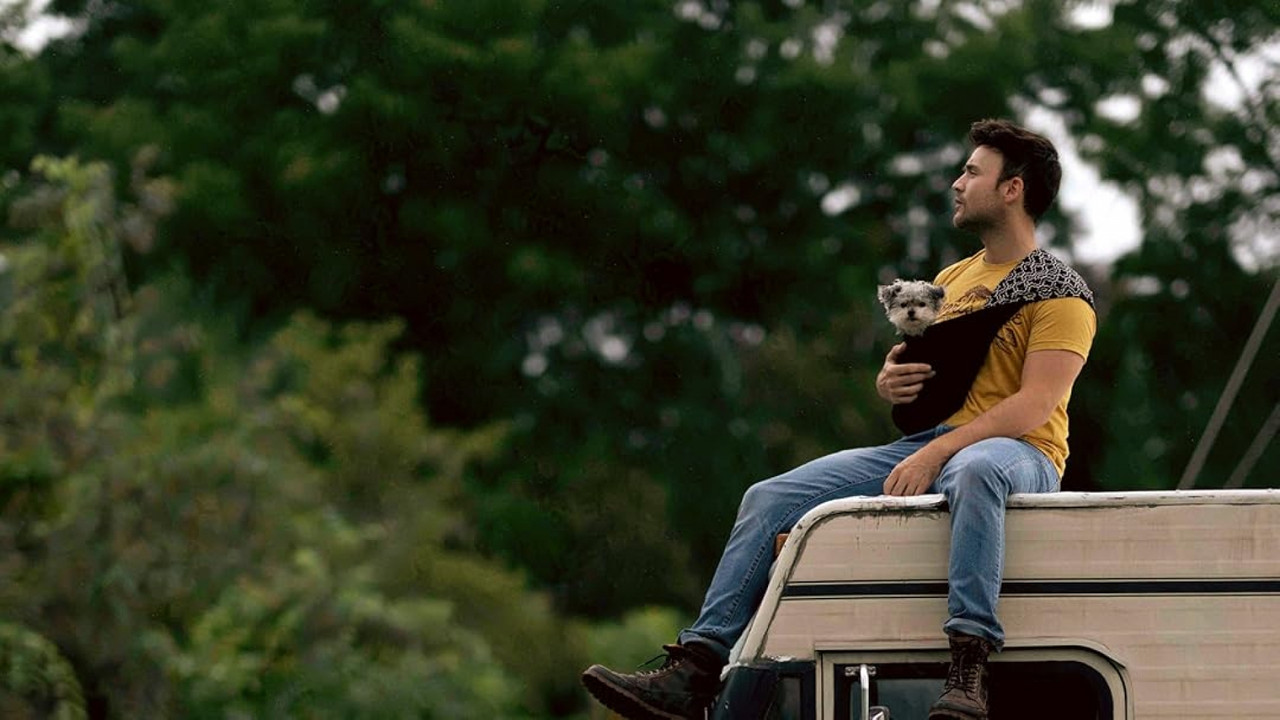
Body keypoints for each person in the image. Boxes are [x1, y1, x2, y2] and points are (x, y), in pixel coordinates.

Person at [581, 118, 1097, 720]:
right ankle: (695, 670)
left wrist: (935, 455)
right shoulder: (953, 280)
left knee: (976, 471)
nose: (957, 184)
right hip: (935, 441)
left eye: (972, 172)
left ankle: (969, 668)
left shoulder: (1062, 291)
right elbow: (930, 376)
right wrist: (891, 379)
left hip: (1020, 452)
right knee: (770, 496)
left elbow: (1035, 405)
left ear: (1013, 189)